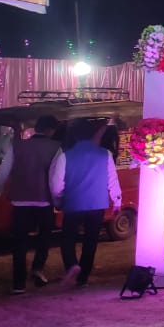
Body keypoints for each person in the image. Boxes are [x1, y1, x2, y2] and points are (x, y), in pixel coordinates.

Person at [0, 114, 62, 294]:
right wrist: (57, 200)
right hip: (44, 201)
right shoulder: (56, 148)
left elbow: (3, 171)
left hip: (20, 201)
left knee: (20, 242)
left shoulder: (17, 146)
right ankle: (37, 268)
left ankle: (18, 284)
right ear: (51, 130)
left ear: (36, 128)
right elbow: (55, 179)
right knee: (44, 237)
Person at [50, 118, 122, 288]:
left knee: (68, 238)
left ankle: (72, 265)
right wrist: (117, 201)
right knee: (91, 241)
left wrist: (58, 200)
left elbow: (57, 185)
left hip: (73, 203)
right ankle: (83, 278)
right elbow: (112, 180)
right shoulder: (105, 154)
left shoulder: (65, 156)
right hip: (97, 204)